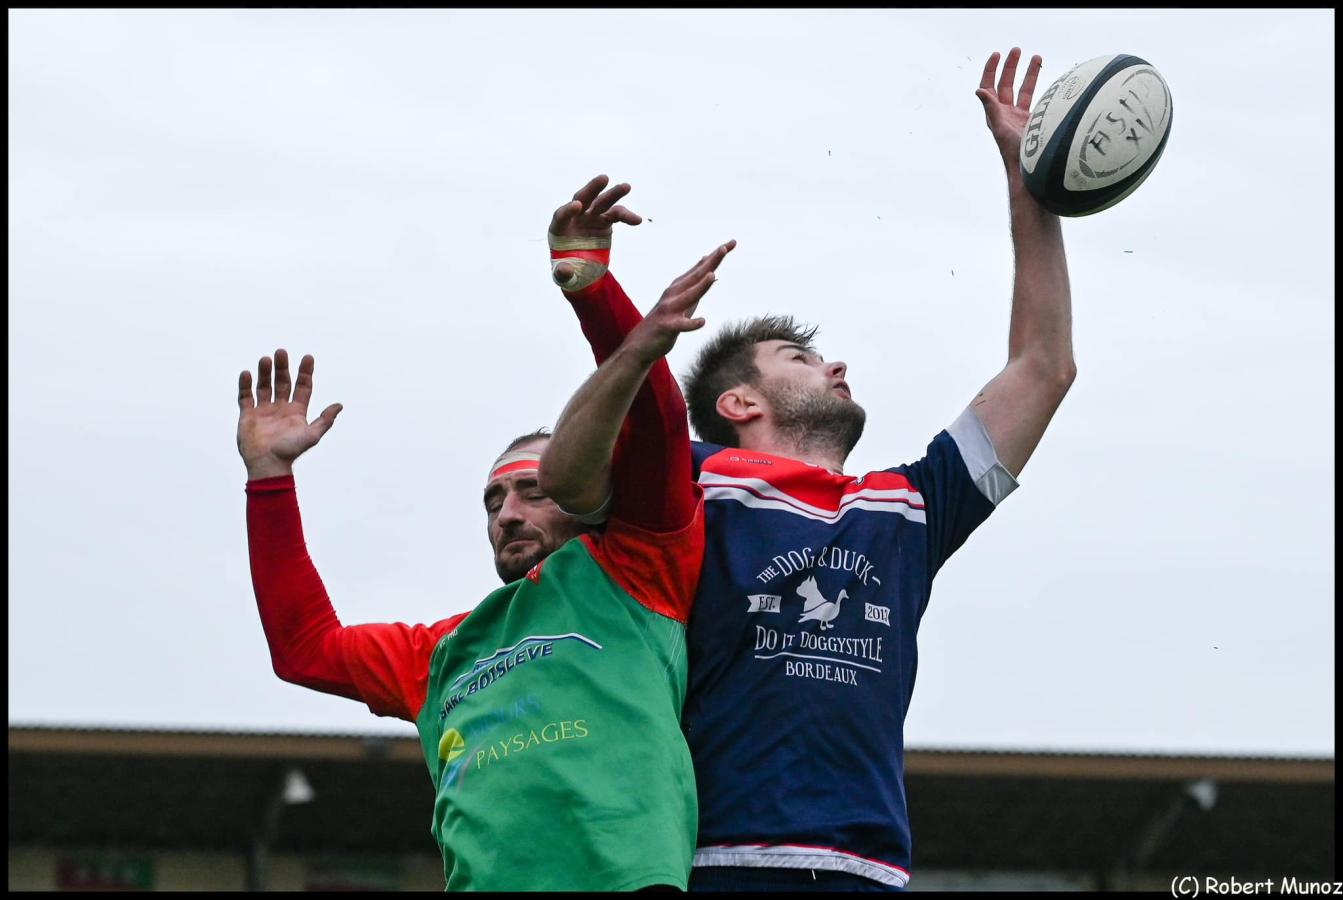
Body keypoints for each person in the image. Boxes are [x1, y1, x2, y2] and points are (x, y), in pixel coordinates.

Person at [549, 49, 1074, 891]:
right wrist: (624, 333)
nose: (833, 368)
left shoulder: (906, 505)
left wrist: (1028, 178)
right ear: (737, 406)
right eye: (799, 357)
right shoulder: (690, 483)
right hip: (719, 858)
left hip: (869, 868)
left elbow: (1043, 366)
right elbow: (569, 478)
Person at [235, 236, 731, 890]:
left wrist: (604, 305)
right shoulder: (441, 650)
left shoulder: (636, 568)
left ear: (585, 496)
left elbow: (652, 426)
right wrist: (270, 476)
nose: (506, 513)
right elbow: (305, 648)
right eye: (493, 500)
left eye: (532, 490)